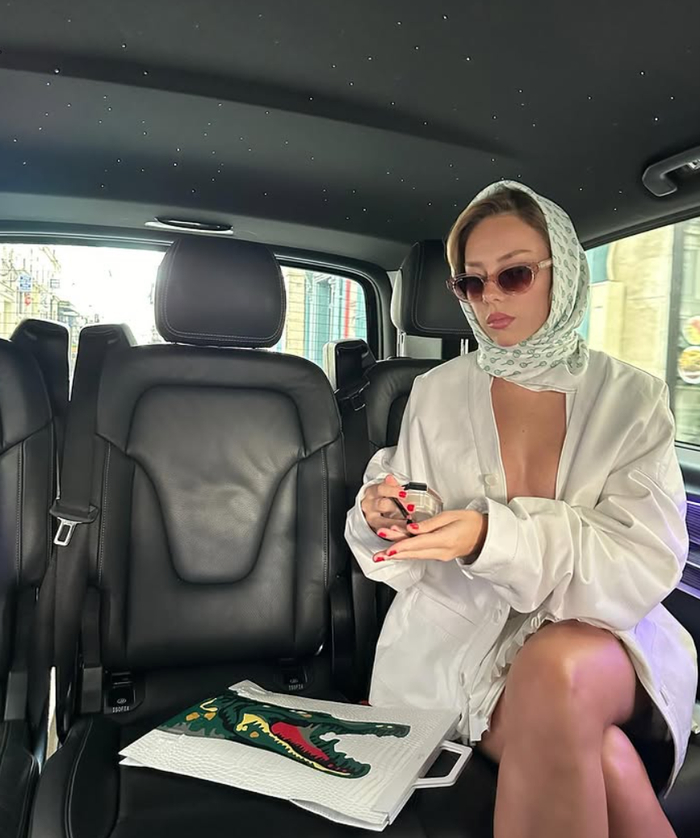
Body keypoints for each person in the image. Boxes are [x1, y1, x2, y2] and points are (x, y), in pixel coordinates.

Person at [345, 181, 698, 838]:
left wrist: (491, 538)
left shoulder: (632, 399)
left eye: (513, 275)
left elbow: (642, 560)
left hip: (601, 638)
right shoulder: (434, 393)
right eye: (471, 283)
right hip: (458, 645)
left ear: (562, 274)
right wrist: (382, 516)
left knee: (555, 662)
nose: (490, 300)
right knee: (605, 758)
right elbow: (405, 544)